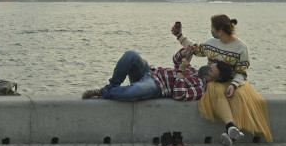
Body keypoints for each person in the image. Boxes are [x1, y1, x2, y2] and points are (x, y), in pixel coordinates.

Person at [175, 14, 272, 146]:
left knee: (238, 96)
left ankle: (230, 130)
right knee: (216, 90)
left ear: (220, 31)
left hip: (235, 81)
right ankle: (230, 128)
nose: (211, 31)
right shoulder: (211, 43)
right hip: (215, 80)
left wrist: (233, 85)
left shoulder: (240, 48)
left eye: (212, 28)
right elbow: (195, 49)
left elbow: (241, 72)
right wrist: (180, 36)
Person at [82, 47, 234, 101]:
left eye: (210, 70)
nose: (207, 68)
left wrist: (181, 71)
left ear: (213, 79)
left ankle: (102, 92)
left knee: (132, 92)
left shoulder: (201, 87)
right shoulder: (194, 71)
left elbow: (179, 94)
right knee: (131, 55)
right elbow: (175, 60)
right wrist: (184, 53)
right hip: (151, 72)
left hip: (157, 87)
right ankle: (111, 86)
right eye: (210, 65)